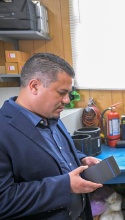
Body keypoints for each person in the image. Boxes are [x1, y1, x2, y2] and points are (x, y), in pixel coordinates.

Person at [0, 53, 103, 219]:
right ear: (34, 86)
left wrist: (81, 159)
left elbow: (56, 152)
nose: (67, 100)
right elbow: (3, 200)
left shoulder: (50, 116)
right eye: (62, 92)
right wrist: (65, 186)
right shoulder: (3, 130)